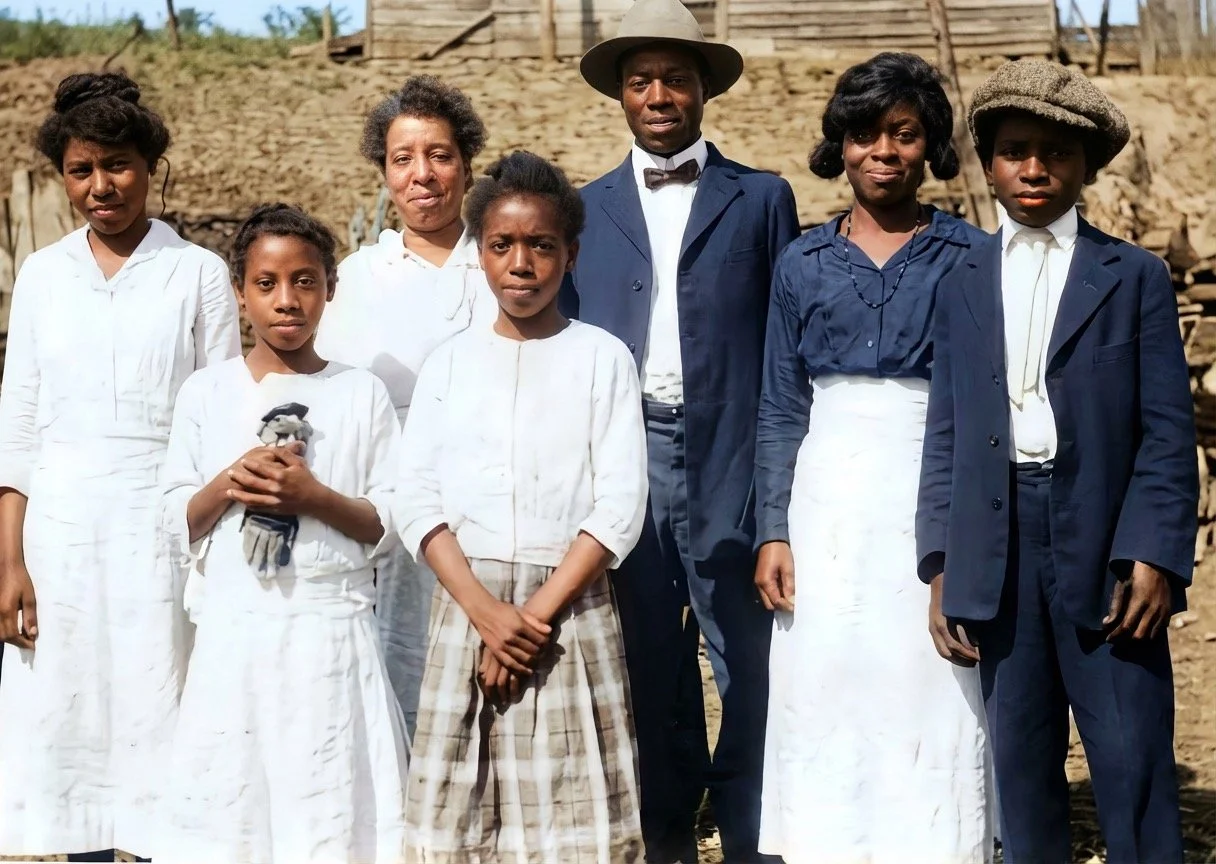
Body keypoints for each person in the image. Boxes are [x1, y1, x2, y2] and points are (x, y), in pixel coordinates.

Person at [916, 60, 1197, 863]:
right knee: (1021, 761)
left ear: (1087, 167)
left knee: (1132, 759)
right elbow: (946, 431)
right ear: (988, 164)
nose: (1034, 169)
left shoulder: (1133, 276)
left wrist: (1152, 553)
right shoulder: (960, 280)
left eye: (1057, 153)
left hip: (1105, 543)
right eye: (1015, 152)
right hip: (996, 549)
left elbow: (1166, 431)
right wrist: (941, 563)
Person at [561, 1, 799, 859]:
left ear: (704, 90)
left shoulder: (762, 198)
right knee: (650, 657)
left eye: (675, 79)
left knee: (749, 660)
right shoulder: (584, 209)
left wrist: (774, 492)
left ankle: (753, 835)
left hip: (733, 453)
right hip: (631, 454)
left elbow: (785, 346)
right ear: (620, 96)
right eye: (640, 81)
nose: (658, 95)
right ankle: (664, 833)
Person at [752, 53, 992, 863]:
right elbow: (781, 405)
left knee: (927, 676)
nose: (883, 152)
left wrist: (963, 537)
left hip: (931, 483)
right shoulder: (802, 262)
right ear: (840, 146)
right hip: (827, 498)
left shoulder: (971, 256)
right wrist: (774, 529)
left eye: (904, 133)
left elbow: (983, 406)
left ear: (932, 147)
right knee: (827, 670)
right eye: (864, 135)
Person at [0, 72, 241, 861]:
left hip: (161, 522)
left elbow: (220, 419)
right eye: (81, 170)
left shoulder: (196, 272)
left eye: (118, 166)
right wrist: (10, 561)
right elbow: (19, 423)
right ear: (62, 176)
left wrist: (209, 546)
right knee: (69, 708)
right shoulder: (43, 275)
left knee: (160, 699)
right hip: (60, 530)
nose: (100, 187)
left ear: (149, 166)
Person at [397, 151, 646, 862]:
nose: (521, 264)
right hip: (467, 607)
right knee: (463, 816)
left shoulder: (601, 358)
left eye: (541, 245)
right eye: (501, 245)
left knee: (569, 816)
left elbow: (620, 503)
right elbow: (416, 498)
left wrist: (529, 623)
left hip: (567, 611)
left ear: (570, 255)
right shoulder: (450, 362)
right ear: (479, 253)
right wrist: (485, 613)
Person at [154, 204, 409, 862]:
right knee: (237, 802)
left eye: (304, 281)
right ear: (240, 293)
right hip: (236, 633)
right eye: (266, 284)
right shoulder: (207, 393)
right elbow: (175, 517)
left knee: (326, 801)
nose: (287, 300)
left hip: (330, 631)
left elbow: (388, 519)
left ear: (330, 288)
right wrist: (229, 481)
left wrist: (313, 497)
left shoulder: (360, 393)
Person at [315, 75, 497, 736]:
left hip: (490, 507)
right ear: (385, 173)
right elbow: (332, 406)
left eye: (440, 155)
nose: (422, 175)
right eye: (403, 159)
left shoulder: (502, 264)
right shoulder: (359, 278)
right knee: (402, 679)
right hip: (392, 520)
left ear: (467, 165)